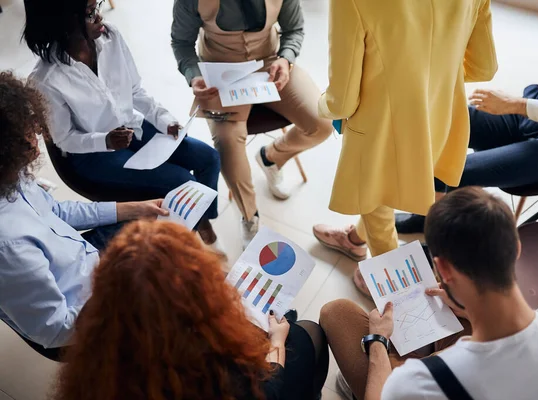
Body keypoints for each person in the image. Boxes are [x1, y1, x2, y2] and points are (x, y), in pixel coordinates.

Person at [320, 187, 538, 400]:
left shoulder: (414, 384)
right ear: (516, 247)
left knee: (337, 313)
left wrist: (379, 342)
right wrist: (469, 312)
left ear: (442, 268)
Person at [312, 0, 497, 291]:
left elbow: (343, 99)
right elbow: (483, 67)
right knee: (380, 195)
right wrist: (430, 73)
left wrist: (321, 103)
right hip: (440, 116)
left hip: (383, 126)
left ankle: (399, 293)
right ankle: (356, 241)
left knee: (373, 200)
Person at [52, 220, 329, 400]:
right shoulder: (210, 368)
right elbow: (268, 387)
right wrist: (277, 340)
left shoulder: (99, 349)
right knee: (304, 334)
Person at [393, 0, 538, 235]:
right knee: (434, 119)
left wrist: (516, 105)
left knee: (452, 171)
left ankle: (434, 225)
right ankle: (427, 210)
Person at [24, 0, 221, 244]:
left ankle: (201, 218)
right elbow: (65, 140)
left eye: (98, 6)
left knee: (209, 158)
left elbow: (135, 90)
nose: (99, 18)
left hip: (131, 127)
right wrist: (105, 140)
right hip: (94, 154)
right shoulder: (46, 79)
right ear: (63, 23)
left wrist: (163, 119)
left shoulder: (110, 37)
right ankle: (185, 234)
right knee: (183, 182)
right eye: (89, 13)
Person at [0, 71, 168, 354]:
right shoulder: (8, 245)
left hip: (87, 263)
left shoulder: (10, 176)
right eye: (24, 135)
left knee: (155, 227)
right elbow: (55, 331)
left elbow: (55, 213)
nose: (35, 140)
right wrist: (121, 287)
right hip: (83, 320)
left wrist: (136, 208)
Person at [171, 0, 333, 247]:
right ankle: (249, 215)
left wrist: (286, 58)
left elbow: (294, 30)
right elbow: (182, 42)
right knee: (227, 143)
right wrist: (194, 75)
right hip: (219, 71)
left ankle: (271, 157)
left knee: (322, 122)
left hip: (270, 64)